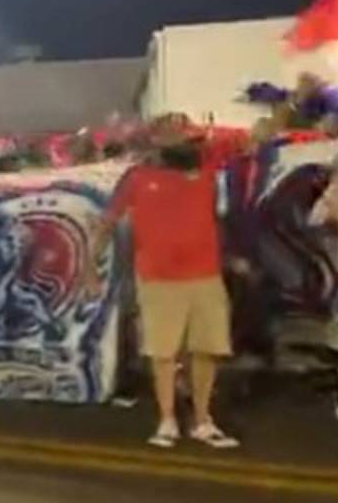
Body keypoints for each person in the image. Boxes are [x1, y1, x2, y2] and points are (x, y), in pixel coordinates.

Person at [85, 115, 241, 449]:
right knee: (163, 353)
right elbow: (106, 223)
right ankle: (167, 419)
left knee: (207, 349)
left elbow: (253, 140)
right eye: (175, 134)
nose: (185, 140)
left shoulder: (207, 171)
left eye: (187, 134)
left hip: (206, 275)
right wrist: (89, 269)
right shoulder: (137, 178)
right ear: (155, 140)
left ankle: (202, 420)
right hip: (159, 278)